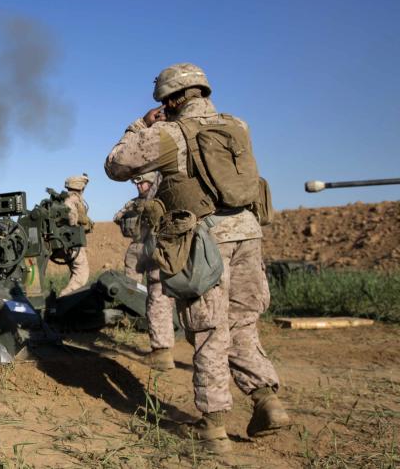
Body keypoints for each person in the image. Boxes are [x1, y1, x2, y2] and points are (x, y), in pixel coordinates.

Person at [104, 63, 290, 454]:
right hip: (248, 235)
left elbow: (116, 164)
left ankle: (213, 426)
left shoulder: (168, 133)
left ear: (170, 100)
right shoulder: (238, 124)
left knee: (208, 329)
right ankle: (266, 401)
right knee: (242, 324)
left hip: (204, 242)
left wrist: (140, 124)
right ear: (203, 92)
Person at [113, 172, 176, 371]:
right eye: (137, 184)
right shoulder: (134, 202)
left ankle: (162, 345)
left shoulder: (163, 198)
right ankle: (135, 318)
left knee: (159, 293)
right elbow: (117, 217)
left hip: (158, 248)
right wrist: (131, 216)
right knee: (131, 288)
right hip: (138, 249)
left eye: (143, 183)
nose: (140, 187)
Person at [61, 174, 93, 296]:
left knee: (76, 274)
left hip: (70, 243)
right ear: (80, 187)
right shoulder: (71, 200)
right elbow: (72, 221)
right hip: (73, 243)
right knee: (81, 275)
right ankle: (63, 300)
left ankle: (70, 304)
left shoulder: (67, 198)